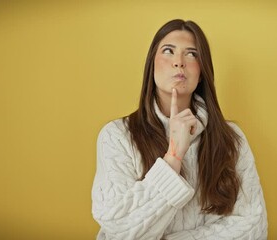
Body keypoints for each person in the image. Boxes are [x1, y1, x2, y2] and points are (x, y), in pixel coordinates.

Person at [92, 19, 267, 240]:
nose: (179, 62)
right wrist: (173, 156)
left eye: (192, 54)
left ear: (201, 72)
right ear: (151, 66)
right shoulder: (117, 135)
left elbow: (253, 227)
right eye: (168, 51)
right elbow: (119, 228)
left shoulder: (231, 138)